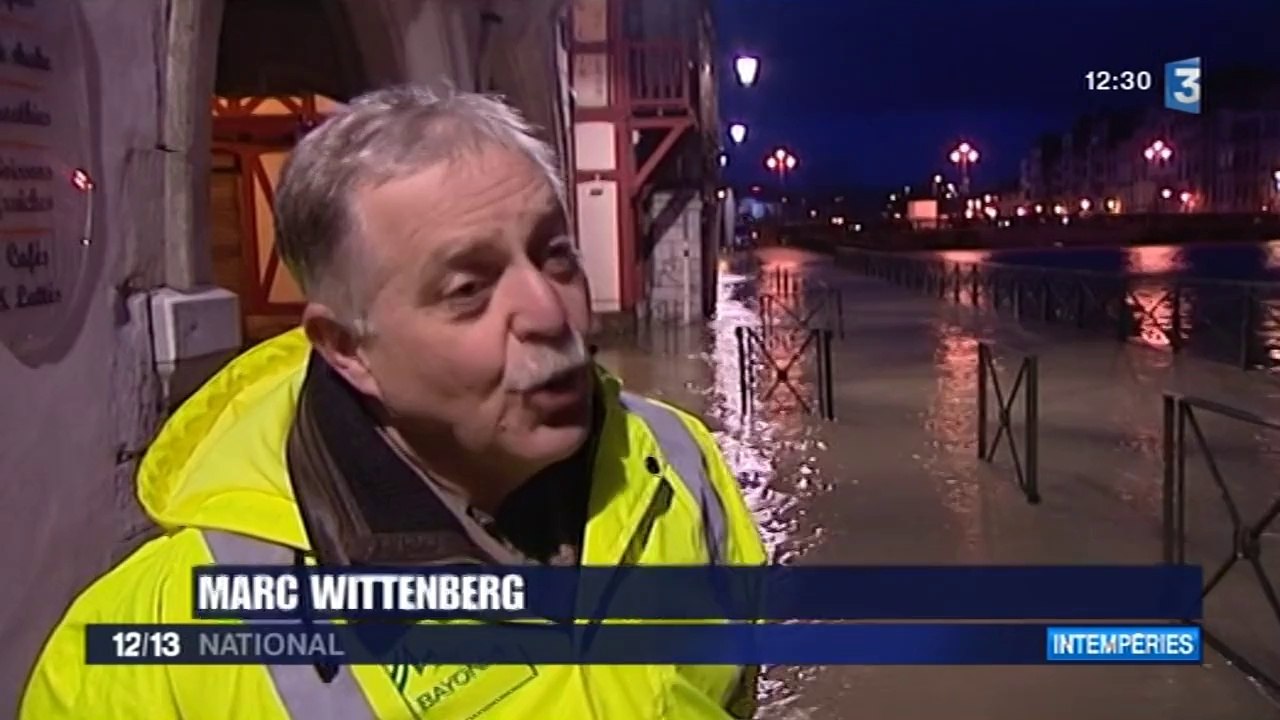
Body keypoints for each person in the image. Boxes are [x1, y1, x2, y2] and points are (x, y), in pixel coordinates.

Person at [19, 85, 767, 719]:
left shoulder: (681, 468)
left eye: (555, 255)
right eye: (468, 288)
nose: (549, 311)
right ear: (348, 348)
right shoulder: (145, 661)